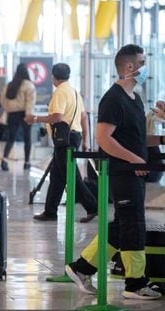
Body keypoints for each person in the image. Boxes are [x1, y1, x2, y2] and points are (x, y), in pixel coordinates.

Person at [65, 44, 162, 300]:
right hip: (123, 172)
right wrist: (133, 161)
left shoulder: (135, 98)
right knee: (133, 225)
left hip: (134, 171)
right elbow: (103, 139)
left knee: (122, 225)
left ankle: (82, 268)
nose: (144, 67)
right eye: (142, 62)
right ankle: (135, 283)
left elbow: (139, 138)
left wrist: (158, 141)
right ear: (129, 67)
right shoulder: (113, 98)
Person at [26, 63, 98, 223]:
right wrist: (85, 140)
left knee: (72, 176)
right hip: (74, 136)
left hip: (65, 140)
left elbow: (57, 117)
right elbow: (84, 117)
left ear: (53, 77)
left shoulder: (60, 92)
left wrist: (35, 119)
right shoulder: (74, 92)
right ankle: (50, 211)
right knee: (57, 177)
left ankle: (92, 207)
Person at [0, 63, 36, 171]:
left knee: (11, 138)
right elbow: (30, 102)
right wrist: (28, 115)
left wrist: (8, 109)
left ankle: (4, 160)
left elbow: (2, 100)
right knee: (27, 138)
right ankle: (27, 162)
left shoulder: (10, 84)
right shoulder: (29, 85)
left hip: (12, 114)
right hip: (24, 114)